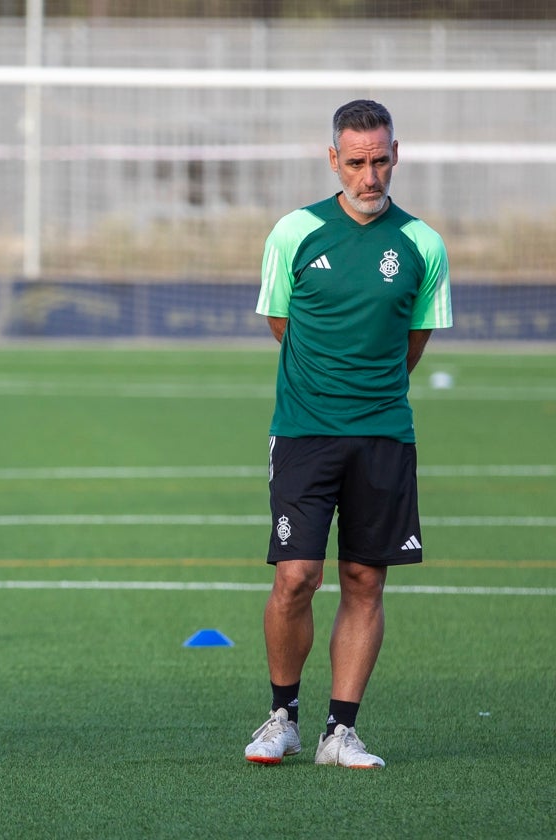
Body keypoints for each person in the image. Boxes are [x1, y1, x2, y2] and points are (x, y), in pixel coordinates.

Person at [246, 100, 453, 769]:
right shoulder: (294, 233)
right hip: (305, 432)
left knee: (365, 577)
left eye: (381, 160)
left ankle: (342, 731)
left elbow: (411, 341)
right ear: (333, 159)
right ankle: (282, 717)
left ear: (397, 154)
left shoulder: (423, 244)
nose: (371, 175)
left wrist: (371, 390)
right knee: (296, 577)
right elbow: (282, 323)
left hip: (385, 435)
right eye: (357, 162)